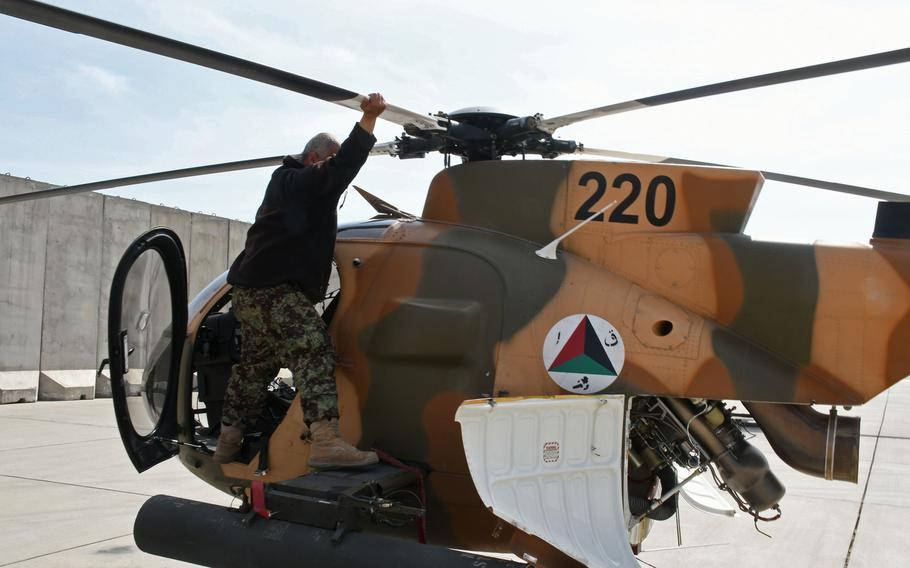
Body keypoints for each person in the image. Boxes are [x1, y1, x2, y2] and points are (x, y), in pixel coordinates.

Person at [213, 93, 387, 468]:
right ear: (315, 159)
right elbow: (342, 168)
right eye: (328, 162)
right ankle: (325, 441)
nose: (331, 175)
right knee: (312, 346)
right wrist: (369, 120)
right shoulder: (294, 181)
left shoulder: (293, 192)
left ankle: (227, 441)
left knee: (256, 368)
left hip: (252, 293)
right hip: (271, 290)